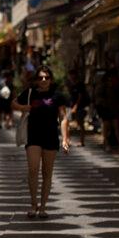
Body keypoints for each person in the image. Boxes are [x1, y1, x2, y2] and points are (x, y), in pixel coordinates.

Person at [12, 66, 70, 219]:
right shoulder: (31, 93)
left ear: (51, 79)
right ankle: (33, 204)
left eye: (47, 77)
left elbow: (63, 118)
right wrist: (24, 107)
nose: (43, 80)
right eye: (40, 77)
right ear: (37, 80)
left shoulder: (57, 96)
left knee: (47, 173)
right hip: (33, 136)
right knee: (33, 169)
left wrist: (65, 138)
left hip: (50, 136)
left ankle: (43, 206)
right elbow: (13, 103)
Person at [67, 69, 90, 147]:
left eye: (72, 75)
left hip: (80, 107)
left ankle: (82, 141)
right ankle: (68, 140)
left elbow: (80, 97)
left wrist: (76, 106)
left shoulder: (80, 85)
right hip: (72, 106)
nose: (70, 77)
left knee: (80, 124)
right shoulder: (71, 85)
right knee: (68, 123)